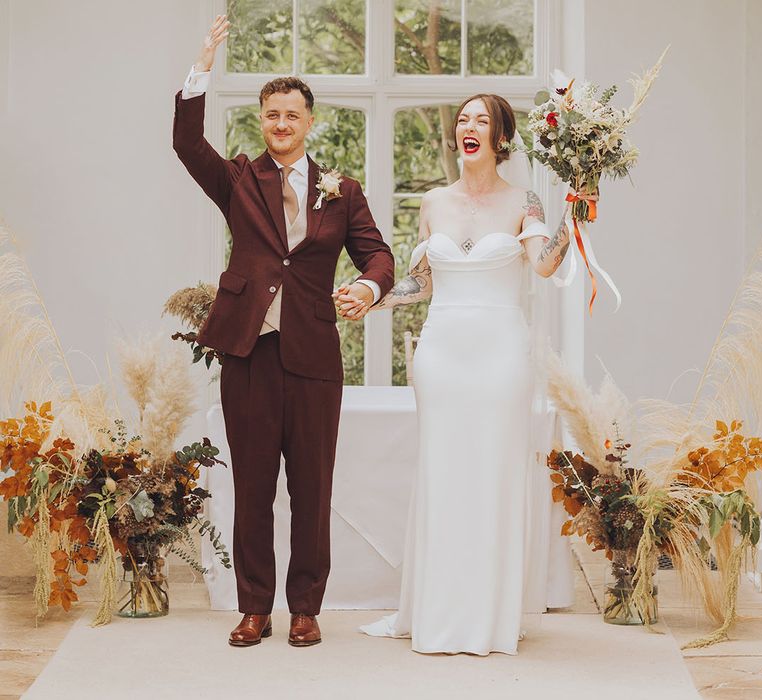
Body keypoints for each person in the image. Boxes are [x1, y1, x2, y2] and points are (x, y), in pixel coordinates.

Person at [173, 15, 394, 648]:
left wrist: (368, 287)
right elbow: (189, 145)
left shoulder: (342, 191)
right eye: (271, 114)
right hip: (248, 353)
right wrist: (202, 65)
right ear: (262, 120)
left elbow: (378, 256)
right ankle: (253, 608)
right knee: (252, 485)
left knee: (312, 487)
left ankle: (305, 608)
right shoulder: (239, 179)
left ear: (309, 121)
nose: (280, 124)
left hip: (314, 356)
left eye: (292, 114)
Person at [337, 93, 573, 655]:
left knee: (493, 475)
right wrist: (369, 297)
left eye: (482, 121)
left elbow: (543, 264)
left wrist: (578, 215)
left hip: (500, 355)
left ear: (500, 138)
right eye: (464, 119)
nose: (468, 127)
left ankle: (488, 617)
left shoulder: (526, 199)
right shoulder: (433, 202)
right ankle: (438, 612)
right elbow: (423, 283)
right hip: (441, 356)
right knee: (443, 475)